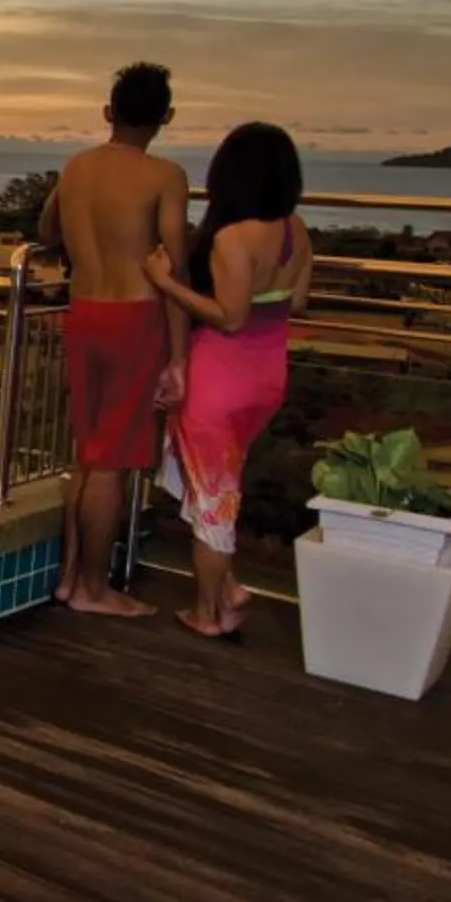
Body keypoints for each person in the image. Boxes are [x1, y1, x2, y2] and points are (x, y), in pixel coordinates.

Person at [143, 121, 312, 639]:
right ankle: (228, 588)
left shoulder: (231, 238)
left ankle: (209, 613)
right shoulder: (295, 229)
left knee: (215, 501)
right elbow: (297, 302)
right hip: (266, 377)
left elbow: (229, 316)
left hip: (220, 378)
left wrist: (165, 282)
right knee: (215, 488)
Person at [36, 63, 190, 616]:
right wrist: (179, 357)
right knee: (111, 462)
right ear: (165, 117)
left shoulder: (76, 168)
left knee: (88, 454)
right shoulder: (165, 176)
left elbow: (47, 231)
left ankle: (69, 579)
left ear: (108, 112)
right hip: (134, 316)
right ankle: (94, 589)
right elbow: (173, 269)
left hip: (84, 311)